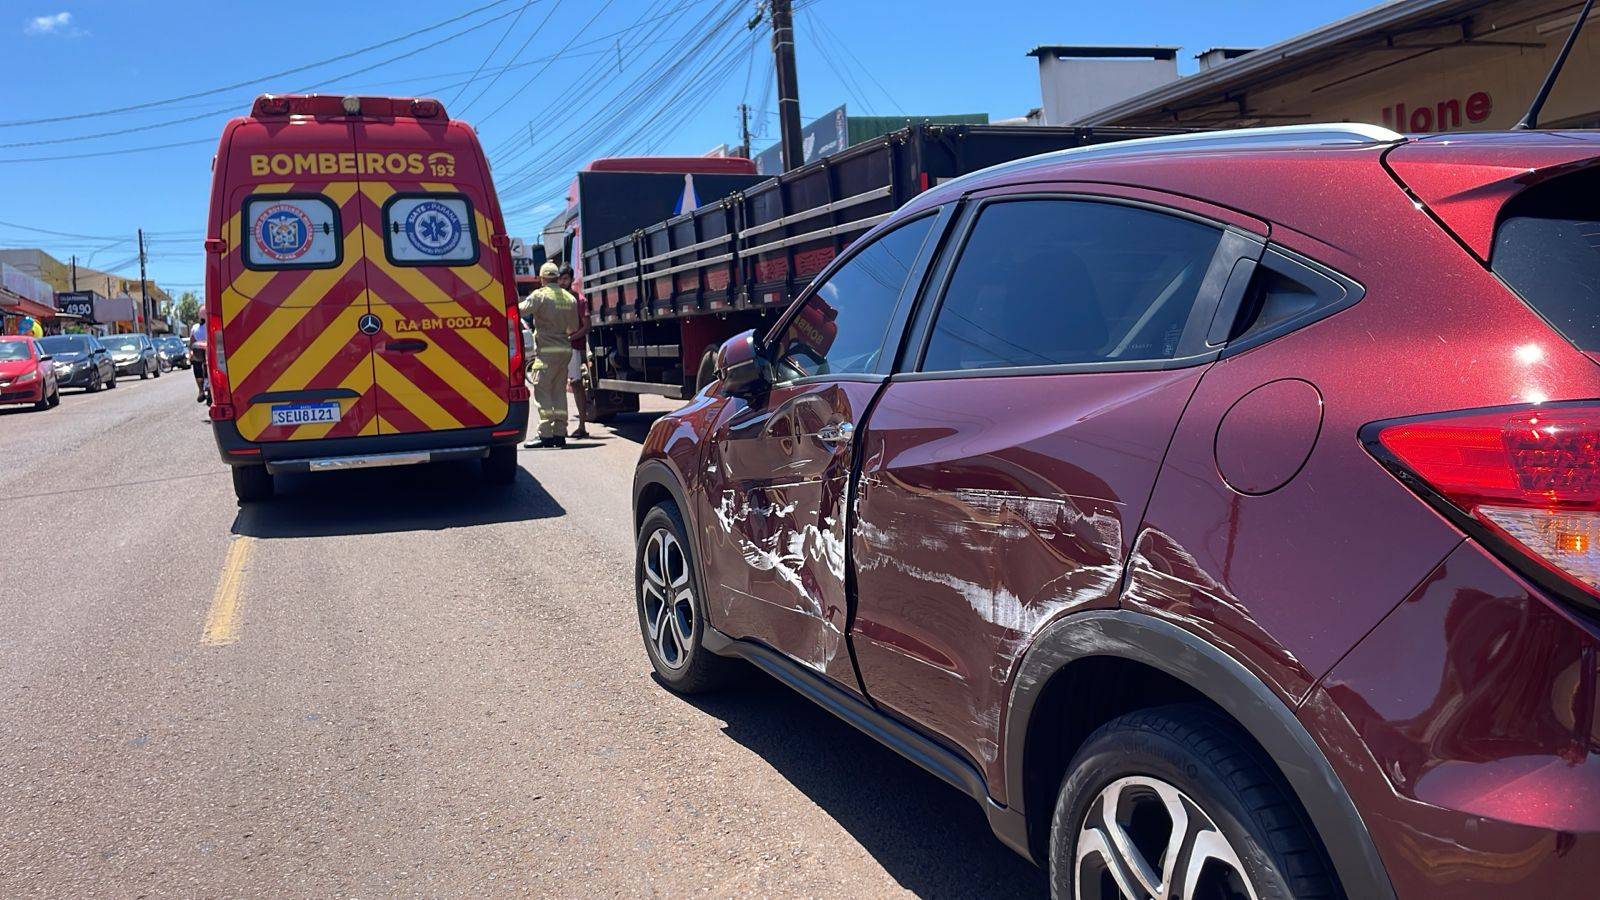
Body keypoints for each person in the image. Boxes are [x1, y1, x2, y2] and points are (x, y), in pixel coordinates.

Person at [519, 263, 579, 448]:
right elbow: (573, 328)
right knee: (559, 392)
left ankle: (545, 435)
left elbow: (519, 310)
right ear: (556, 277)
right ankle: (560, 433)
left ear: (542, 278)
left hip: (546, 352)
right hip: (564, 351)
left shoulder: (540, 296)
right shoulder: (569, 298)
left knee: (543, 391)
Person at [558, 265, 591, 440]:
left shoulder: (579, 300)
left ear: (571, 279)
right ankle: (560, 427)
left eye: (565, 278)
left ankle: (582, 426)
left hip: (573, 348)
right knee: (557, 387)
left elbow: (587, 326)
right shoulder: (554, 300)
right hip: (558, 348)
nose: (562, 282)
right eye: (560, 278)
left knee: (577, 385)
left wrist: (569, 339)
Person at [189, 316, 209, 403]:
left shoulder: (196, 327)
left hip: (204, 353)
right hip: (201, 354)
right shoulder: (195, 327)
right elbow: (191, 342)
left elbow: (191, 342)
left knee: (199, 369)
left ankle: (201, 391)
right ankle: (201, 390)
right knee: (198, 368)